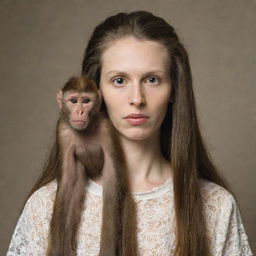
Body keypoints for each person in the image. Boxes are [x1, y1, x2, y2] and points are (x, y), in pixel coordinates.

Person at [6, 10, 253, 256]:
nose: (137, 98)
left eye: (152, 80)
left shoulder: (216, 207)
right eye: (119, 81)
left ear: (174, 90)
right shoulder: (46, 206)